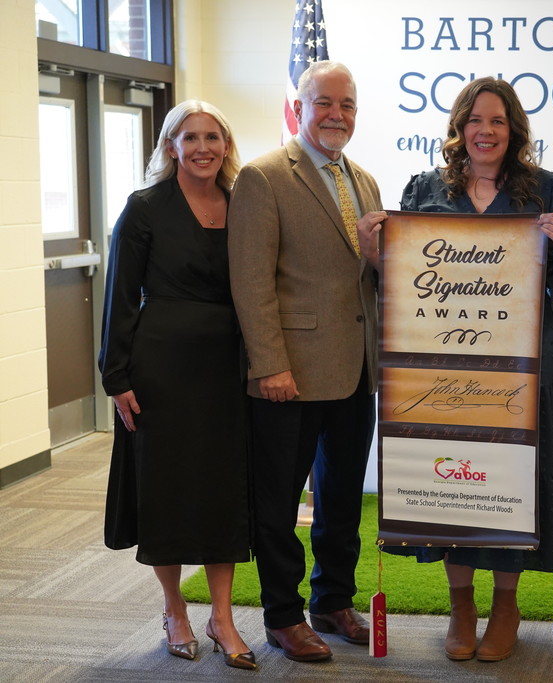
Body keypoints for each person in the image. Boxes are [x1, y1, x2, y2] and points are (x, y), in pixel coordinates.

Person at [391, 76, 553, 663]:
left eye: (498, 121)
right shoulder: (425, 188)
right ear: (460, 128)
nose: (486, 131)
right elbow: (403, 279)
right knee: (451, 486)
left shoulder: (547, 188)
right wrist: (376, 248)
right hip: (442, 370)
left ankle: (506, 606)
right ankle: (462, 605)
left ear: (514, 130)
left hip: (520, 370)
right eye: (476, 120)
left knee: (508, 485)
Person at [227, 61, 387, 663]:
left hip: (355, 369)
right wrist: (269, 364)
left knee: (344, 497)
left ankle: (331, 601)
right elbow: (250, 281)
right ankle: (283, 615)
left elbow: (367, 275)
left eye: (347, 104)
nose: (337, 115)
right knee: (279, 500)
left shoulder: (365, 181)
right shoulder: (264, 178)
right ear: (300, 106)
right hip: (288, 374)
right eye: (324, 103)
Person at [98, 100, 256, 670]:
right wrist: (115, 375)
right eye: (190, 138)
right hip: (159, 368)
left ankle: (223, 617)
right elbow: (119, 296)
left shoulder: (244, 204)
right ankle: (174, 609)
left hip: (227, 370)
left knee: (222, 491)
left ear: (226, 144)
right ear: (171, 147)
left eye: (213, 137)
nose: (203, 148)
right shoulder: (144, 208)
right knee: (165, 490)